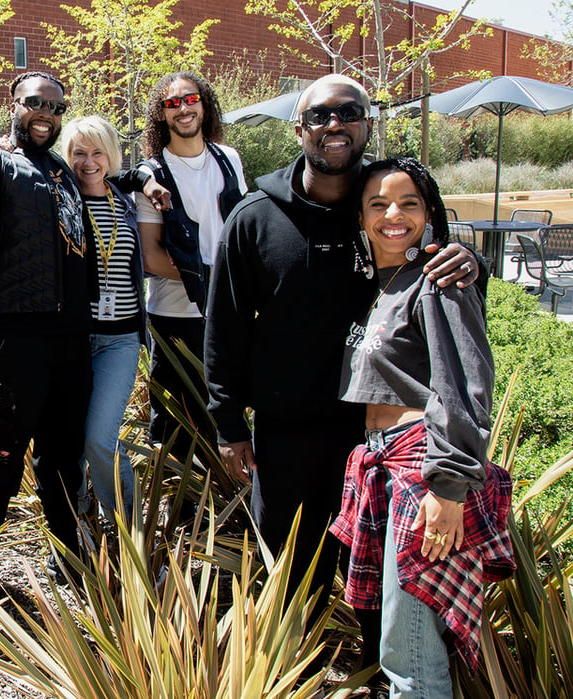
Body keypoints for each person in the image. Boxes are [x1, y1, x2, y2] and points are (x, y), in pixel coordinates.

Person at [203, 74, 480, 677]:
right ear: (299, 129)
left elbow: (433, 264)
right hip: (290, 429)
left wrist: (472, 258)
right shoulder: (255, 218)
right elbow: (223, 326)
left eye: (349, 113)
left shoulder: (383, 202)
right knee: (289, 570)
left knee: (382, 574)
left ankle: (384, 676)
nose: (335, 126)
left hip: (382, 437)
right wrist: (228, 423)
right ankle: (289, 676)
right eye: (321, 116)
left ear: (366, 124)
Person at [0, 71, 167, 580]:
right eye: (35, 103)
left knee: (62, 461)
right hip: (12, 341)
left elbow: (108, 176)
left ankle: (70, 558)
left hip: (70, 341)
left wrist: (143, 175)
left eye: (56, 107)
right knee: (0, 462)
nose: (46, 113)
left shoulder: (62, 171)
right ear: (13, 104)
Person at [329, 157, 514, 696]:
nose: (394, 214)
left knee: (408, 653)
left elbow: (466, 384)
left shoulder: (437, 279)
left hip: (423, 469)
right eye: (378, 204)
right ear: (361, 218)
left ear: (430, 212)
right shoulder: (385, 285)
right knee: (403, 643)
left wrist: (448, 487)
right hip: (387, 463)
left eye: (409, 203)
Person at [136, 71, 246, 462]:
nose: (183, 108)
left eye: (190, 99)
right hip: (174, 317)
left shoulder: (228, 159)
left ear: (204, 103)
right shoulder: (153, 173)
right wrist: (214, 280)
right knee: (175, 420)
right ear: (161, 115)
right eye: (172, 103)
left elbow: (241, 231)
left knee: (226, 409)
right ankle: (176, 510)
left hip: (228, 311)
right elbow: (150, 256)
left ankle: (226, 505)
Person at [60, 115, 144, 520]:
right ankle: (80, 530)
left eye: (97, 152)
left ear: (110, 156)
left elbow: (144, 172)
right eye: (79, 153)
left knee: (99, 437)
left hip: (120, 341)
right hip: (75, 338)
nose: (88, 162)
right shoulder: (60, 202)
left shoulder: (127, 199)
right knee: (70, 440)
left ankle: (128, 529)